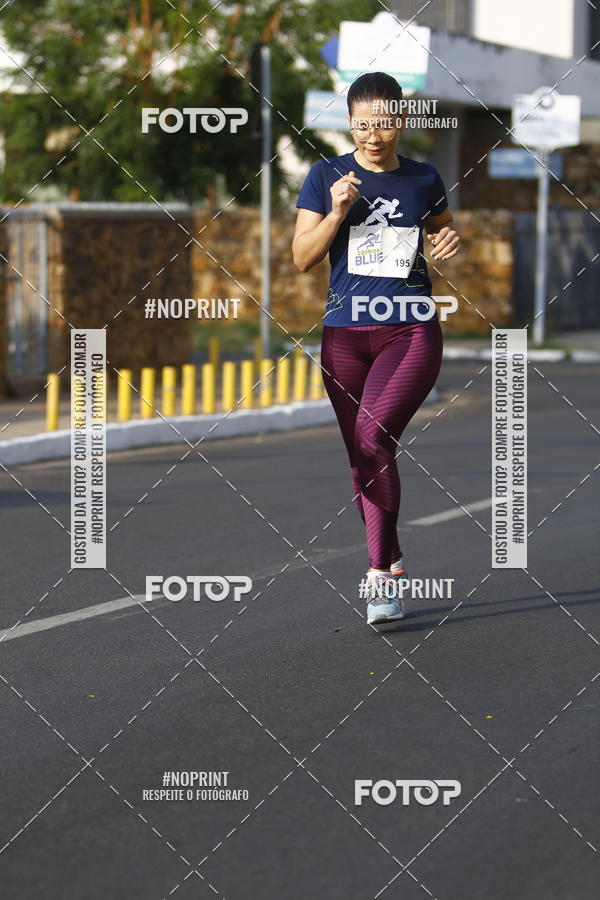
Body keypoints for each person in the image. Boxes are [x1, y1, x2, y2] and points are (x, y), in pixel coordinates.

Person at [292, 71, 461, 626]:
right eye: (362, 124)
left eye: (384, 123)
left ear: (402, 121)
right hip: (344, 335)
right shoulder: (325, 175)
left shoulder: (423, 178)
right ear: (349, 123)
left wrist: (448, 240)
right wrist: (338, 212)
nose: (372, 134)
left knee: (373, 436)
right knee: (362, 456)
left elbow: (443, 229)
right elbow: (302, 258)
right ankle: (387, 560)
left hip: (409, 329)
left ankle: (378, 575)